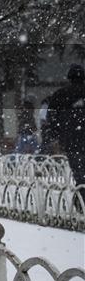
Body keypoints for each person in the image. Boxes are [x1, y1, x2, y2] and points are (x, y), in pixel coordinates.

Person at [45, 64, 85, 203]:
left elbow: (51, 118)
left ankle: (82, 200)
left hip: (72, 141)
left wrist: (57, 135)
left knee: (79, 173)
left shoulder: (60, 94)